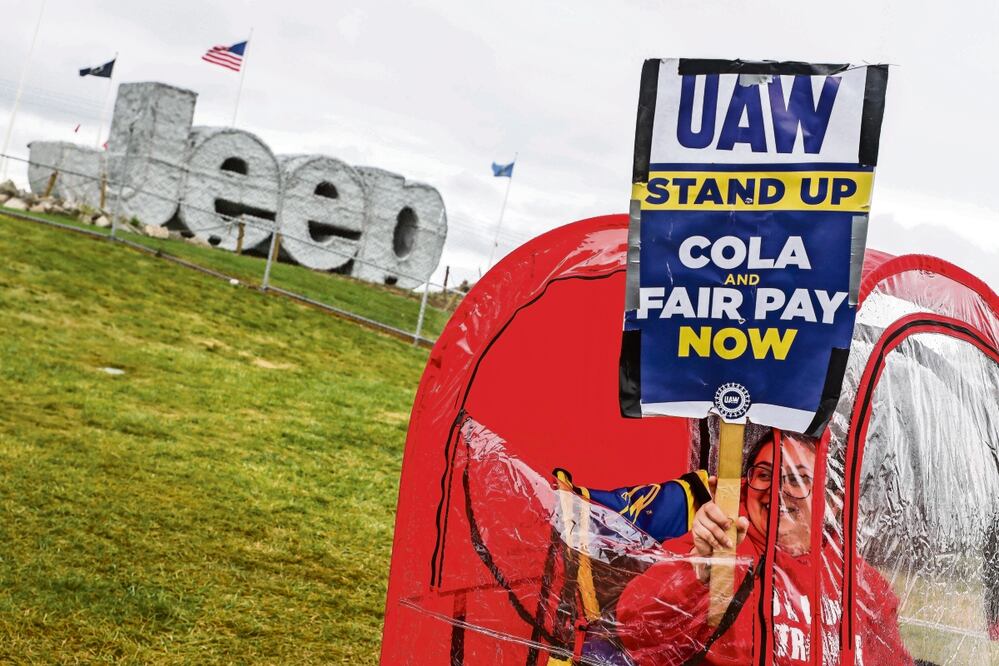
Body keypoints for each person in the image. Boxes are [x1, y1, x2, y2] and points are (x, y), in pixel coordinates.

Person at [614, 430, 915, 666]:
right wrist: (695, 572)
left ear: (834, 503)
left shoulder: (864, 586)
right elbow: (636, 632)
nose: (777, 490)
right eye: (763, 475)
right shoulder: (719, 548)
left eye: (798, 479)